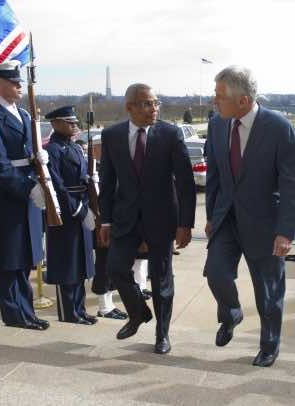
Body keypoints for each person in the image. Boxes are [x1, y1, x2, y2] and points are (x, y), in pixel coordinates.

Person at [203, 66, 295, 367]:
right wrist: (212, 216)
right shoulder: (218, 124)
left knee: (268, 292)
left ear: (243, 101)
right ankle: (231, 312)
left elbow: (292, 183)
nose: (214, 100)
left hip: (265, 225)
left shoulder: (278, 127)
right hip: (227, 220)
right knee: (216, 273)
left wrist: (286, 231)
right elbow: (216, 177)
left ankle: (269, 346)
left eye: (219, 96)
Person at [99, 83, 196, 354]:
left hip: (162, 219)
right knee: (116, 268)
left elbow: (186, 183)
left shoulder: (170, 134)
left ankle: (162, 334)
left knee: (161, 278)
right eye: (145, 104)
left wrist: (185, 224)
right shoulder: (112, 135)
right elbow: (106, 182)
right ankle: (138, 312)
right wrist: (105, 221)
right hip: (125, 218)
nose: (153, 109)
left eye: (155, 103)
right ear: (129, 107)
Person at [0, 60, 50, 331]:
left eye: (18, 81)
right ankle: (15, 314)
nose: (19, 85)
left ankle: (26, 310)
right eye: (13, 81)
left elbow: (27, 151)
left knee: (25, 256)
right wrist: (28, 188)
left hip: (27, 190)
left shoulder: (25, 116)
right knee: (8, 259)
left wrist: (39, 158)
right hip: (7, 195)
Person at [42, 106, 98, 324]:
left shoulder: (74, 147)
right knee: (67, 265)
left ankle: (80, 308)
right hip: (65, 213)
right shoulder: (53, 150)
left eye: (75, 122)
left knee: (81, 264)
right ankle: (68, 312)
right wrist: (78, 209)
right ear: (56, 124)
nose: (75, 126)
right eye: (70, 122)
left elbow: (81, 177)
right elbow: (56, 185)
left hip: (81, 207)